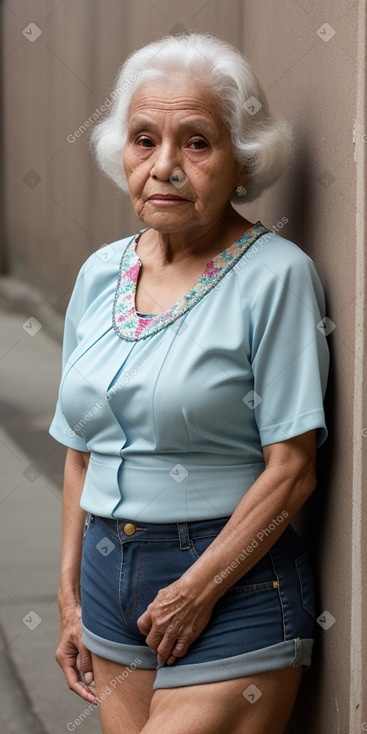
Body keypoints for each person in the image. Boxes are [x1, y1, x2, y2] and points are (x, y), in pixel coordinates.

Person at [49, 31, 329, 734]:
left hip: (230, 584)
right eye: (144, 140)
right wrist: (70, 596)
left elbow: (292, 470)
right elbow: (80, 453)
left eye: (197, 143)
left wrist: (196, 590)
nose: (165, 166)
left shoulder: (276, 276)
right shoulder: (99, 272)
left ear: (243, 160)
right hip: (109, 583)